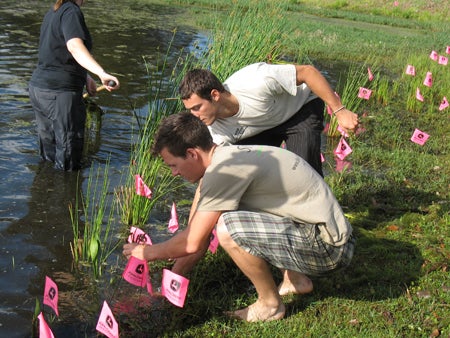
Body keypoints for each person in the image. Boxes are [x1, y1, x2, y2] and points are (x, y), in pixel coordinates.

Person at [123, 112, 355, 322]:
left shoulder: (222, 173)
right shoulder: (224, 156)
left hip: (329, 249)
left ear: (192, 153)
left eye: (174, 165)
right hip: (326, 234)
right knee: (234, 217)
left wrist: (146, 252)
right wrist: (169, 283)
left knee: (227, 227)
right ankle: (296, 280)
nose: (174, 173)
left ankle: (270, 305)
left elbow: (192, 242)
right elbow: (195, 236)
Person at [179, 62, 359, 176]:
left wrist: (340, 110)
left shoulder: (257, 81)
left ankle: (324, 226)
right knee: (244, 168)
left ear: (215, 95)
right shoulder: (215, 129)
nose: (195, 116)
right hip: (265, 126)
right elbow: (214, 167)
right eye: (190, 110)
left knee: (303, 171)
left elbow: (308, 72)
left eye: (197, 107)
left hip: (300, 110)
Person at [28, 0, 120, 170]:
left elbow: (56, 51)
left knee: (49, 153)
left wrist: (86, 78)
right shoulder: (71, 11)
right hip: (60, 93)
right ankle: (67, 194)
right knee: (68, 155)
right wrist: (101, 73)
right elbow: (74, 46)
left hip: (39, 89)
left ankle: (45, 190)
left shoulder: (54, 12)